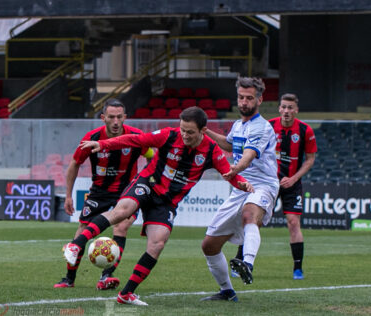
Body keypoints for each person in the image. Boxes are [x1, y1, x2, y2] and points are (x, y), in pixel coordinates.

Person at [62, 107, 253, 306]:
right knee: (122, 211)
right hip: (148, 183)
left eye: (190, 132)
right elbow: (134, 140)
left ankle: (126, 294)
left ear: (203, 131)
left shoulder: (212, 150)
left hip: (167, 201)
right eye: (182, 130)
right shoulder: (168, 135)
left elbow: (228, 174)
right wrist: (103, 144)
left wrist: (240, 183)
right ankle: (76, 245)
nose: (185, 135)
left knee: (157, 244)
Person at [55, 98, 154, 290]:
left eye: (119, 117)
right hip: (99, 191)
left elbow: (152, 157)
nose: (116, 121)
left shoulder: (136, 136)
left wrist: (145, 179)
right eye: (111, 117)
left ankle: (106, 276)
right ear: (103, 118)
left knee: (122, 226)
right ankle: (69, 278)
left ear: (125, 117)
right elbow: (75, 164)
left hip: (127, 192)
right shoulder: (92, 137)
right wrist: (68, 195)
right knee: (83, 228)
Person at [199, 77, 279, 302]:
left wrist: (234, 169)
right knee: (209, 245)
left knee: (249, 216)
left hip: (262, 185)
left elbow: (248, 155)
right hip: (239, 187)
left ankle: (247, 263)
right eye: (241, 97)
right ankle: (227, 291)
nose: (244, 102)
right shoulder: (239, 124)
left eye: (249, 98)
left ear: (259, 99)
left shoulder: (262, 127)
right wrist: (206, 132)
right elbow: (229, 144)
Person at [231, 93, 316, 281]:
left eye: (290, 108)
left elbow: (310, 159)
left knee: (293, 223)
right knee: (253, 220)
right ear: (279, 108)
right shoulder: (267, 126)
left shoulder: (305, 130)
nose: (286, 111)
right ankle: (240, 260)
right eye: (283, 107)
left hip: (291, 184)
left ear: (296, 110)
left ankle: (297, 268)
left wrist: (293, 178)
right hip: (267, 182)